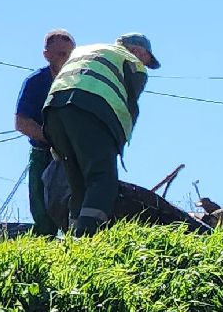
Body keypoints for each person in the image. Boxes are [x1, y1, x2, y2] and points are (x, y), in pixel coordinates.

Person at [42, 33, 159, 236]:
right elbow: (130, 105)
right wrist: (116, 145)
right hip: (91, 110)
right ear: (139, 51)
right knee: (102, 179)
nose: (145, 65)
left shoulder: (88, 51)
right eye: (147, 60)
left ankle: (72, 236)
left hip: (53, 111)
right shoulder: (132, 61)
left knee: (77, 183)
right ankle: (88, 237)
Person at [12, 29, 75, 236]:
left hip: (74, 158)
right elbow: (22, 122)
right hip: (43, 156)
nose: (66, 59)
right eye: (60, 54)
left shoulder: (81, 83)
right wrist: (52, 138)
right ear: (46, 55)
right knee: (43, 216)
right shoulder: (36, 82)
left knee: (76, 214)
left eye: (69, 54)